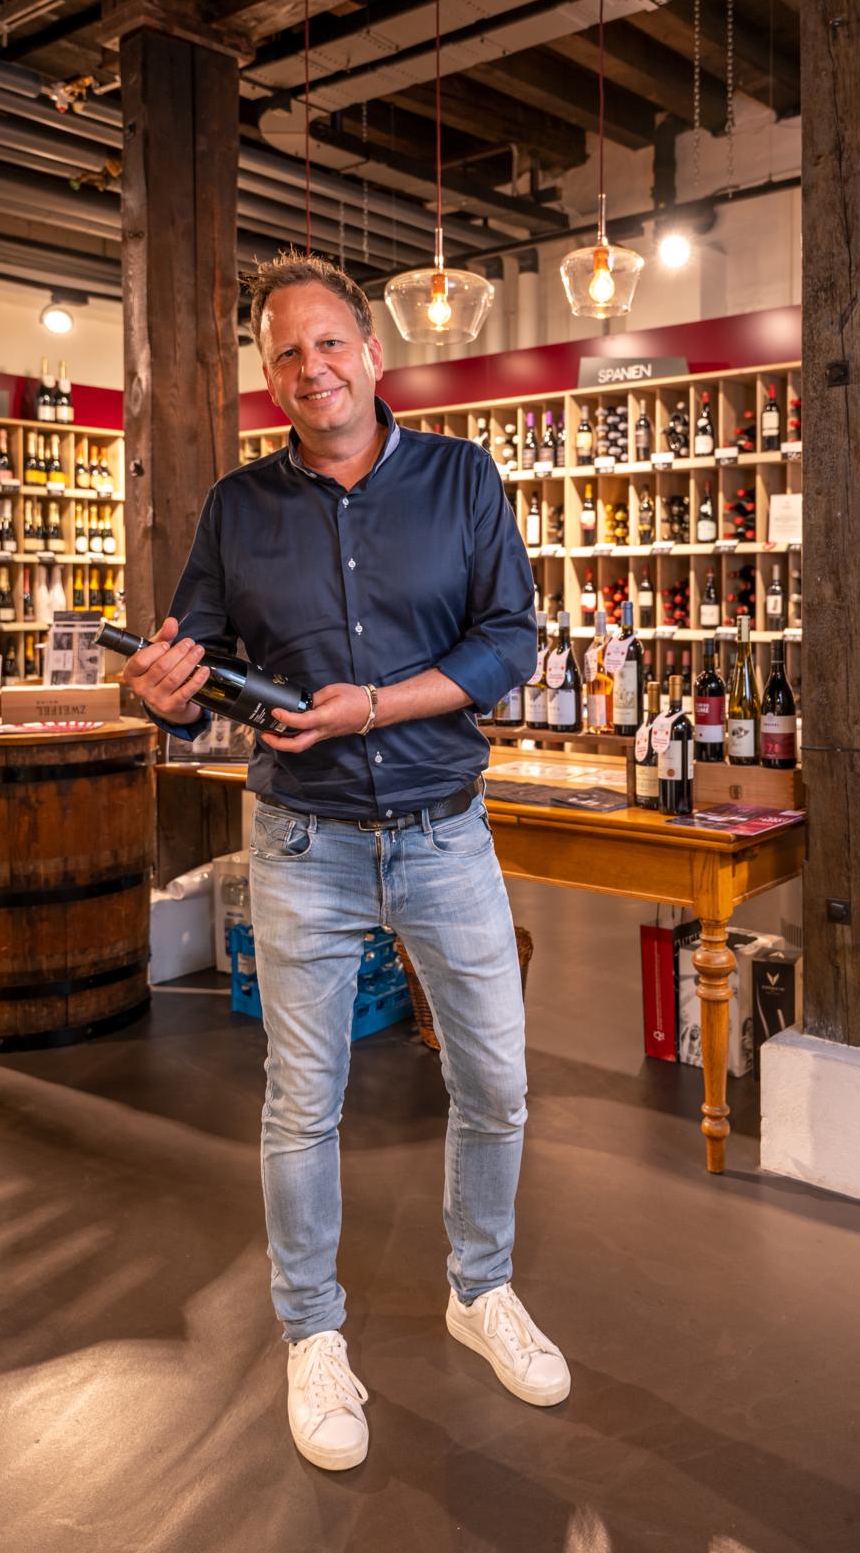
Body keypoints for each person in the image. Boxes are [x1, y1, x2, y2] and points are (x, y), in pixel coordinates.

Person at [121, 249, 570, 1471]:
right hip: (302, 842)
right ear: (269, 379)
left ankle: (478, 1290)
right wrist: (159, 693)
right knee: (298, 1107)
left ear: (372, 354)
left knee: (496, 1082)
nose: (311, 367)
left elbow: (507, 640)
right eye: (285, 353)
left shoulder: (461, 479)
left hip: (444, 830)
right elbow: (194, 666)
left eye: (329, 342)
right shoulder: (234, 506)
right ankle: (311, 1332)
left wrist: (370, 706)